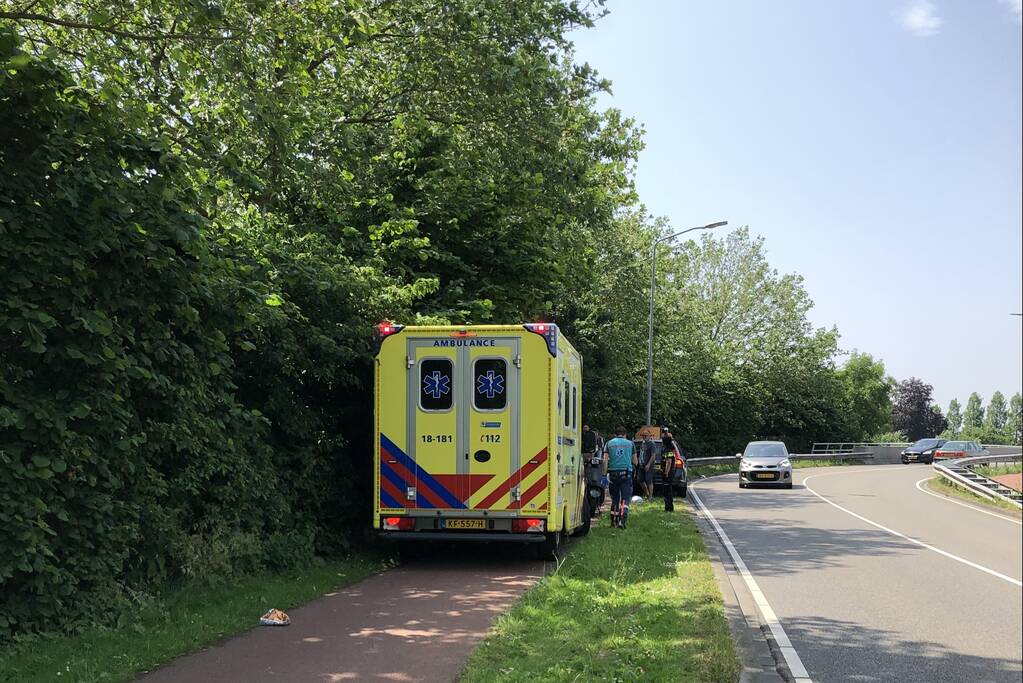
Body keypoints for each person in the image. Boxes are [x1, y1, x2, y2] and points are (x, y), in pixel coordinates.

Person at [603, 426, 638, 529]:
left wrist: (604, 475)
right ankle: (622, 520)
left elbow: (605, 461)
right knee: (625, 499)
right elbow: (635, 461)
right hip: (626, 474)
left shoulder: (609, 444)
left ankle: (613, 521)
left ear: (615, 434)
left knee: (615, 499)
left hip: (613, 474)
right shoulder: (630, 444)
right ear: (625, 434)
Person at [661, 429, 680, 512]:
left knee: (667, 490)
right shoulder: (670, 449)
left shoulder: (667, 450)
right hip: (670, 472)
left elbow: (669, 462)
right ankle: (668, 507)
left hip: (668, 473)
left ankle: (669, 507)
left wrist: (666, 472)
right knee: (668, 489)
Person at [639, 433, 656, 500]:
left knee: (649, 480)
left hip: (648, 465)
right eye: (643, 435)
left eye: (645, 436)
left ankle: (650, 496)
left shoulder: (652, 444)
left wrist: (648, 464)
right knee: (640, 480)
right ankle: (647, 494)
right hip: (641, 465)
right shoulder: (642, 443)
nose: (644, 437)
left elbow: (653, 455)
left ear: (649, 436)